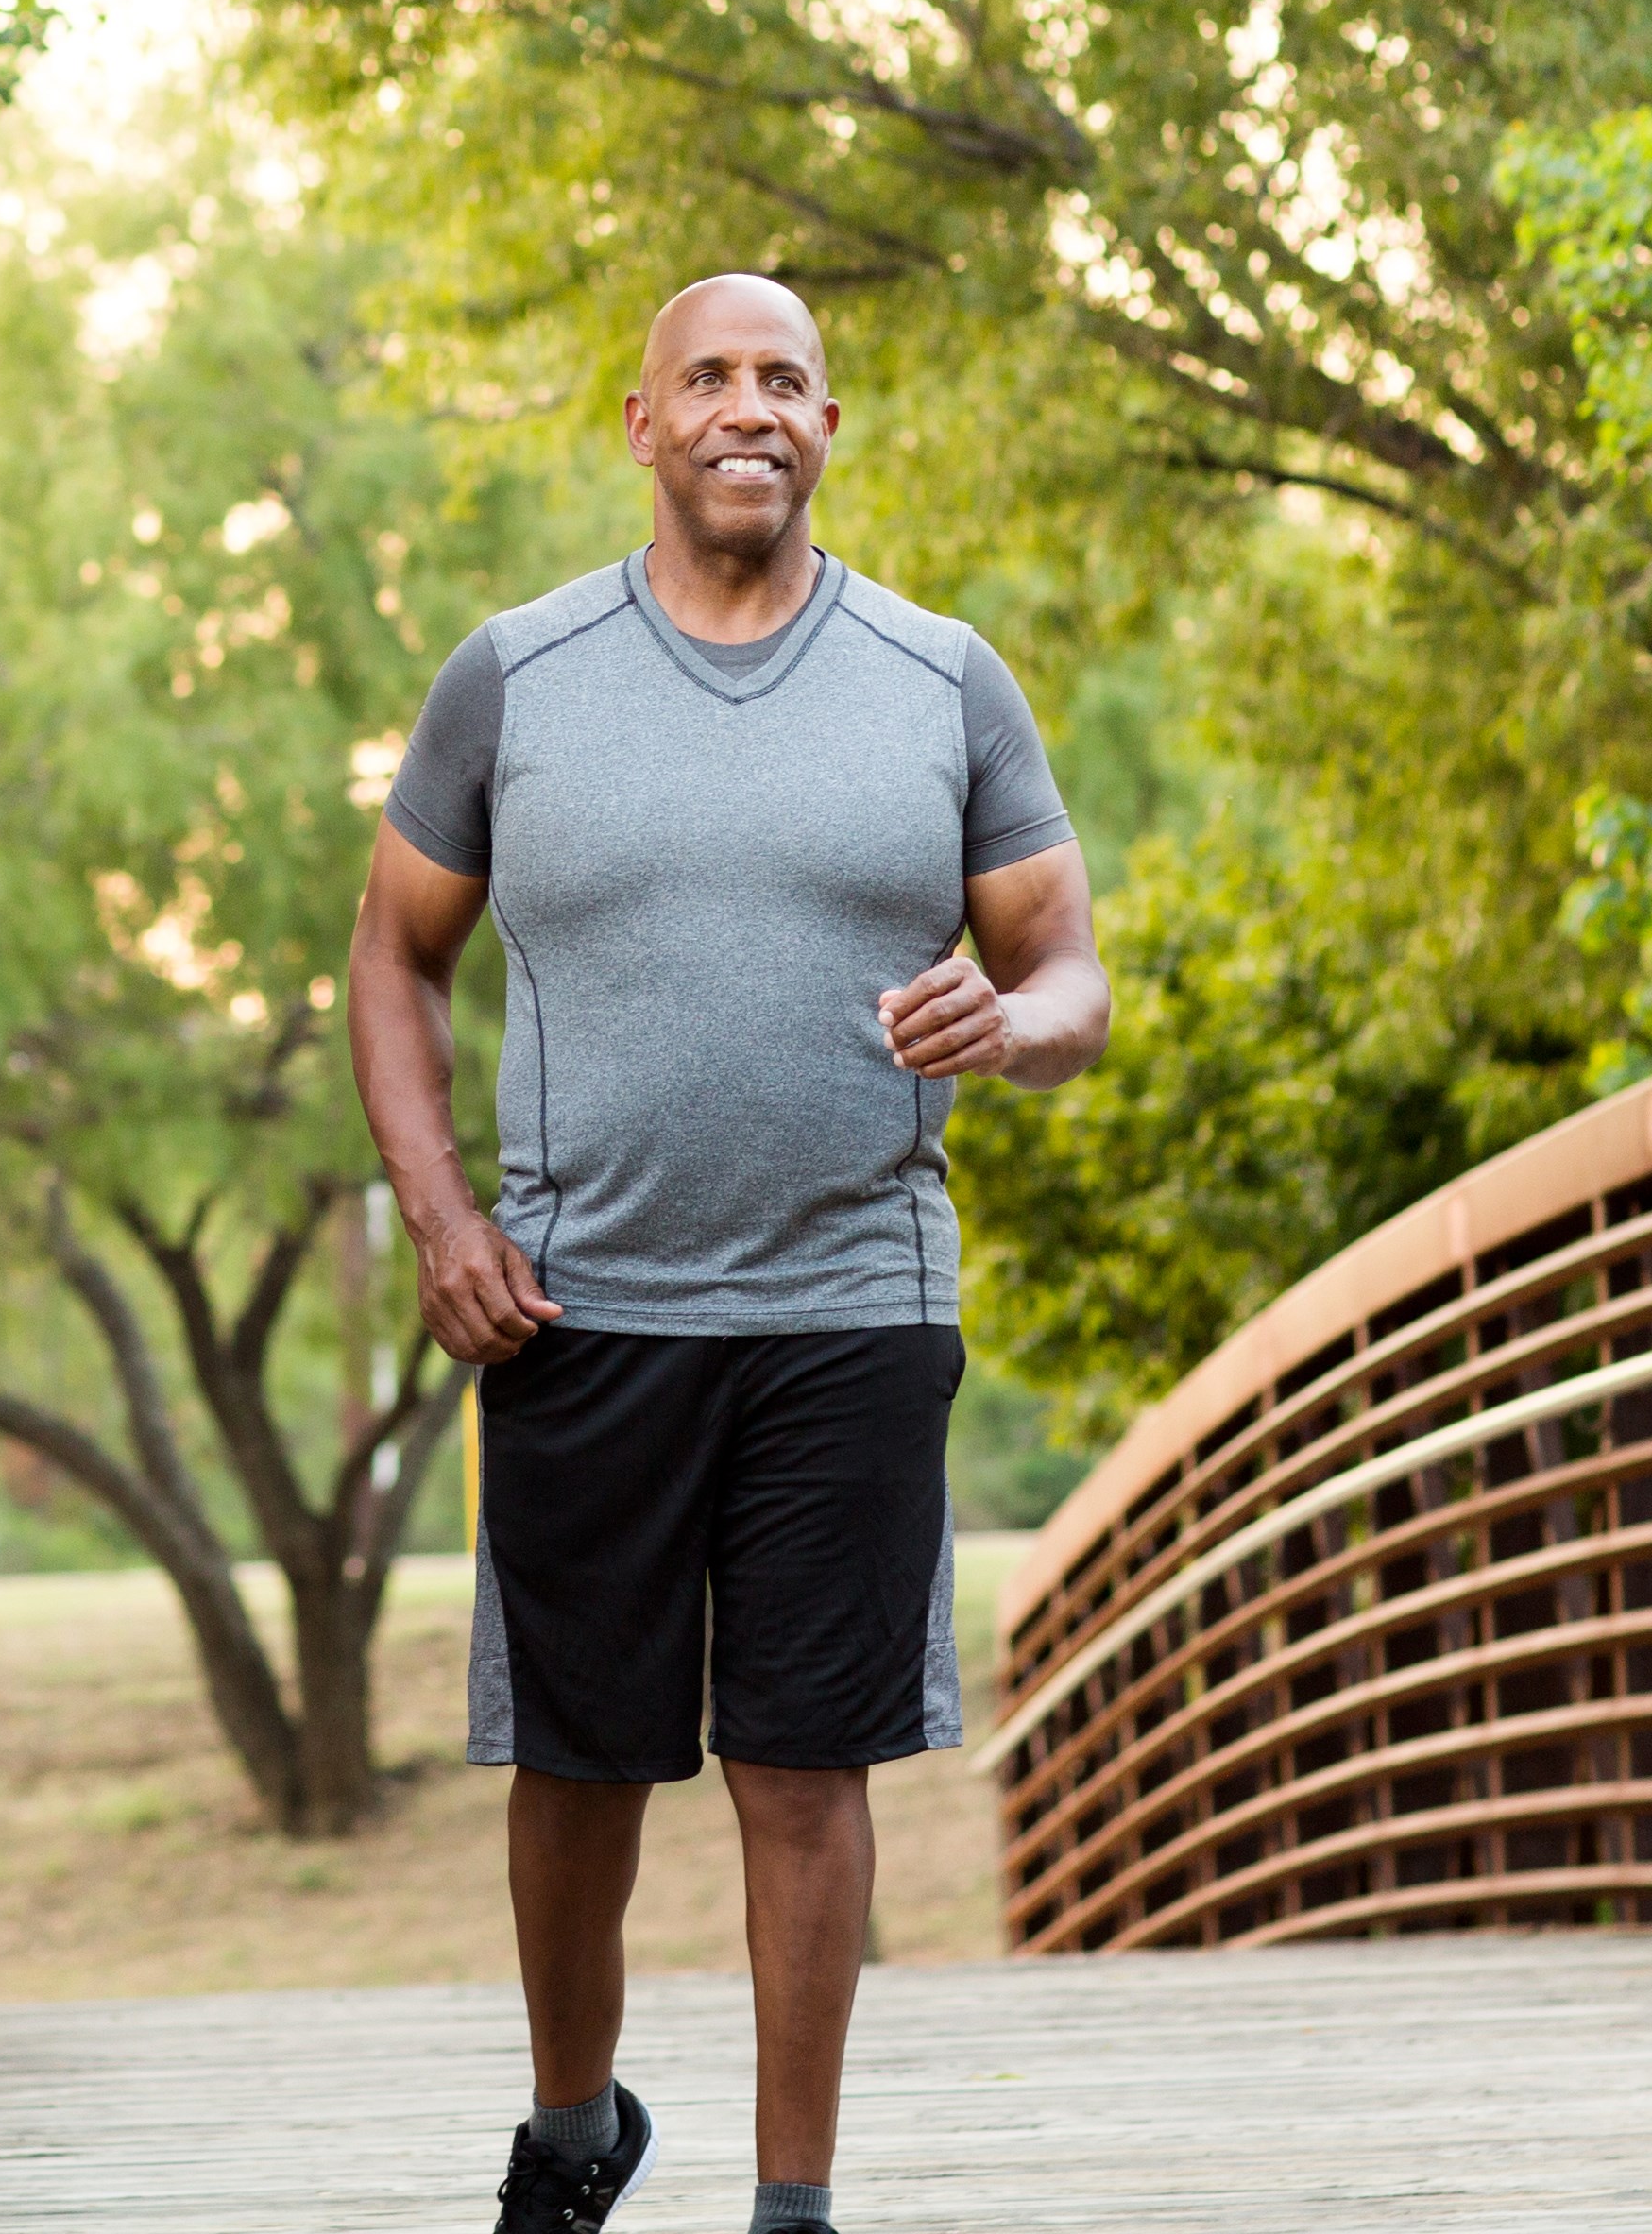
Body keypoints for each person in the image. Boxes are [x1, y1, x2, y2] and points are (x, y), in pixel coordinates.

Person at [346, 271, 1110, 2234]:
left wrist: (1006, 1028)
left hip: (856, 1299)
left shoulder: (944, 680)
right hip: (581, 1307)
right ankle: (575, 2121)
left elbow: (1070, 979)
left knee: (802, 1763)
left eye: (785, 380)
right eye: (710, 378)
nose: (747, 408)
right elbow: (393, 955)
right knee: (581, 1770)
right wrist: (442, 1220)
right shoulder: (515, 677)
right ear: (643, 422)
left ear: (830, 426)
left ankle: (794, 2206)